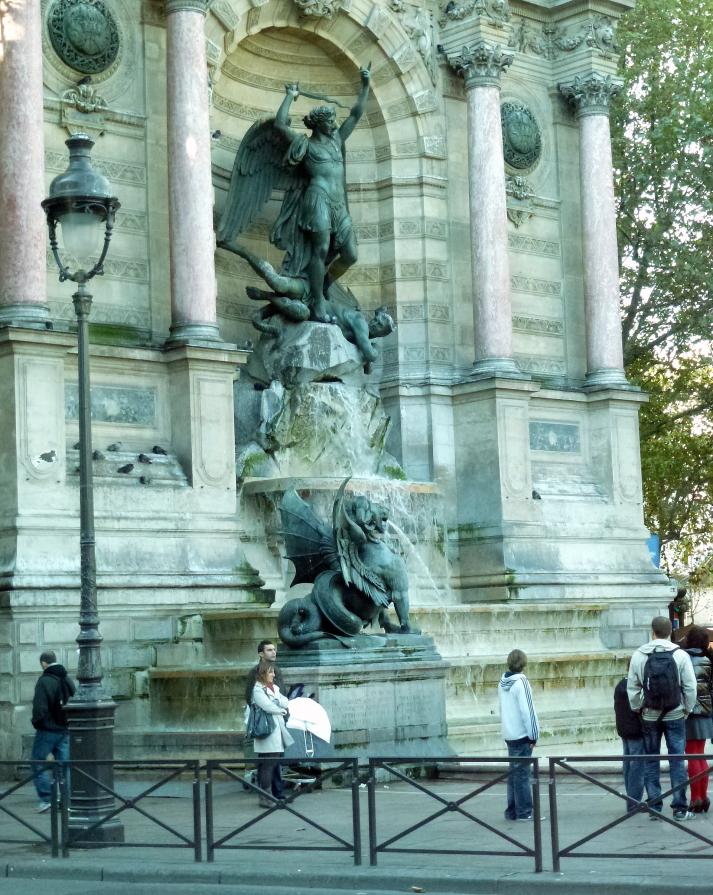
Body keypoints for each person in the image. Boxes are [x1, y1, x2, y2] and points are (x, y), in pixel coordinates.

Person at [271, 68, 371, 322]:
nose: (335, 125)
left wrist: (365, 85)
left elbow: (356, 114)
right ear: (319, 124)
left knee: (350, 254)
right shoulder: (305, 145)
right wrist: (290, 96)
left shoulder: (337, 140)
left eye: (334, 122)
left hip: (339, 205)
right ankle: (317, 304)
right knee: (321, 249)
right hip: (317, 200)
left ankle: (322, 285)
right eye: (330, 122)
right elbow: (280, 124)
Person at [628, 615, 697, 820]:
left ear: (653, 631)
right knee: (677, 759)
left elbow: (633, 687)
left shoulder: (639, 655)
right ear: (670, 632)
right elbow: (690, 687)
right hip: (675, 713)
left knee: (651, 760)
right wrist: (687, 709)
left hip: (649, 715)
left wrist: (639, 708)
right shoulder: (680, 655)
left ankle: (655, 807)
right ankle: (679, 808)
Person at [31, 650, 75, 813]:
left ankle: (46, 799)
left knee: (37, 761)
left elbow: (39, 708)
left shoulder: (45, 681)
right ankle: (65, 800)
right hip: (65, 729)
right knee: (64, 766)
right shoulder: (67, 679)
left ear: (44, 663)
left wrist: (37, 723)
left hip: (48, 729)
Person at [498, 649, 539, 821]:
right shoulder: (522, 682)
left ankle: (512, 811)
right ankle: (524, 812)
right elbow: (528, 711)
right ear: (524, 663)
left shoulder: (502, 682)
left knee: (513, 775)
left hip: (509, 733)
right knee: (522, 775)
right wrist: (534, 735)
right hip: (522, 735)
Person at [251, 660, 294, 807]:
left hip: (276, 730)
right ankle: (265, 797)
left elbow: (285, 701)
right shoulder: (257, 689)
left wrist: (279, 704)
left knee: (271, 762)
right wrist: (279, 708)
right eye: (270, 672)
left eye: (273, 672)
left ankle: (266, 796)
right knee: (268, 764)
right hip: (266, 731)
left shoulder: (274, 687)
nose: (273, 674)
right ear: (263, 673)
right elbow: (267, 705)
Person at [614, 662, 655, 812]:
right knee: (637, 766)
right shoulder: (635, 687)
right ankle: (634, 802)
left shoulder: (620, 684)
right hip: (636, 730)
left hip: (625, 730)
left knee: (629, 764)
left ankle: (631, 800)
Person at [682, 625, 713, 812]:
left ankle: (695, 799)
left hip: (690, 713)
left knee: (692, 756)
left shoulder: (683, 659)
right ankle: (703, 795)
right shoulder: (709, 660)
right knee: (700, 755)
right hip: (706, 713)